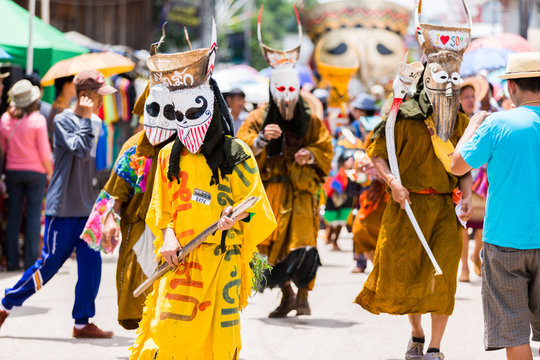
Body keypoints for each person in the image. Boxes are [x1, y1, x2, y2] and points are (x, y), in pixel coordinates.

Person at [129, 22, 276, 359]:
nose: (186, 121)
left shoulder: (236, 152)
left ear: (210, 105)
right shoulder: (169, 155)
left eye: (193, 111)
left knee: (216, 348)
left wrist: (234, 215)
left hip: (221, 263)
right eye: (179, 115)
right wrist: (167, 234)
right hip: (180, 263)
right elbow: (160, 207)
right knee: (165, 337)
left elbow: (256, 205)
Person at [355, 8, 473, 359]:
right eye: (442, 76)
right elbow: (377, 153)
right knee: (406, 275)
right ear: (425, 77)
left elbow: (464, 168)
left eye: (455, 77)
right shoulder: (401, 117)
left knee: (443, 279)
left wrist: (465, 197)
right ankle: (417, 334)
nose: (449, 84)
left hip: (445, 210)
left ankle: (436, 347)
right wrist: (392, 182)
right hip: (406, 208)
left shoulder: (461, 122)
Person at [0, 70, 116, 338]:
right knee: (48, 265)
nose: (102, 103)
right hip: (62, 206)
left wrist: (88, 119)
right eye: (99, 97)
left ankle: (82, 322)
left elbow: (87, 150)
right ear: (85, 96)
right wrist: (86, 119)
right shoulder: (61, 119)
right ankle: (6, 303)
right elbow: (80, 149)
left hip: (86, 207)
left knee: (91, 265)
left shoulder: (96, 123)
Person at [236, 5, 333, 318]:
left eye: (292, 89)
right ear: (271, 89)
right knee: (265, 248)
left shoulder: (312, 120)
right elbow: (239, 149)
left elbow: (325, 147)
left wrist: (311, 155)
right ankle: (287, 294)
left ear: (299, 89)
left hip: (301, 194)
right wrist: (262, 139)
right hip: (268, 194)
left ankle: (303, 296)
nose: (287, 95)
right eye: (281, 89)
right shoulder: (256, 117)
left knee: (303, 245)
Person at [451, 52, 540, 360]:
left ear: (511, 87)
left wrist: (471, 125)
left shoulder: (498, 123)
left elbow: (457, 165)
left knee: (514, 334)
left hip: (504, 242)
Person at [80, 82, 176, 329]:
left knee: (173, 296)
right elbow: (117, 188)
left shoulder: (187, 147)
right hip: (140, 231)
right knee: (142, 297)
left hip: (178, 232)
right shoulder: (134, 146)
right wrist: (110, 218)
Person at [0, 80, 53, 271]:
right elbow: (45, 153)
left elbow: (3, 149)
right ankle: (30, 262)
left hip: (13, 172)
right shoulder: (38, 120)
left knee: (13, 216)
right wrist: (51, 172)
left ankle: (12, 261)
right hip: (35, 173)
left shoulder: (5, 119)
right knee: (32, 217)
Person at [48, 75, 76, 140]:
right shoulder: (60, 108)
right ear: (66, 85)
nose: (75, 86)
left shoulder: (59, 105)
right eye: (73, 83)